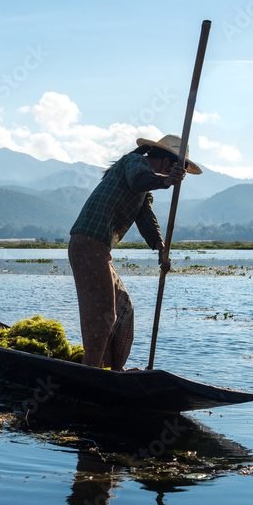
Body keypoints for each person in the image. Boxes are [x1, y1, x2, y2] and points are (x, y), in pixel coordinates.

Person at [68, 134, 202, 370]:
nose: (173, 171)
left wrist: (161, 249)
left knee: (124, 308)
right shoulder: (134, 163)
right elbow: (140, 180)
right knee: (103, 317)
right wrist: (166, 182)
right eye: (174, 166)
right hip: (88, 244)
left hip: (99, 250)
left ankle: (113, 370)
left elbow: (146, 218)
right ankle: (90, 372)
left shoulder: (144, 186)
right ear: (165, 161)